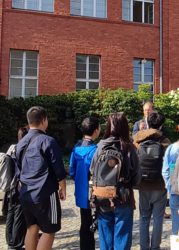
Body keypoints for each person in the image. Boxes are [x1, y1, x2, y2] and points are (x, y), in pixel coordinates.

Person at [15, 106, 67, 250]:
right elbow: (58, 168)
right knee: (50, 230)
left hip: (26, 193)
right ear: (44, 120)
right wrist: (63, 187)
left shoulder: (21, 143)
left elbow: (17, 169)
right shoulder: (48, 141)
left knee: (32, 228)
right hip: (45, 192)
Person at [89, 113, 141, 250]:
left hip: (102, 196)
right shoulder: (129, 148)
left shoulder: (100, 146)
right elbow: (137, 176)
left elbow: (92, 170)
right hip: (123, 196)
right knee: (122, 235)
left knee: (105, 236)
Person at [134, 111, 171, 250]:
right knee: (158, 218)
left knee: (144, 217)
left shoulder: (137, 139)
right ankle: (155, 247)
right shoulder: (165, 142)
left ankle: (144, 247)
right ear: (161, 125)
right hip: (160, 184)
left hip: (142, 184)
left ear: (147, 122)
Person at [70, 117, 100, 250]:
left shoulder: (76, 149)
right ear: (96, 130)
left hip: (82, 192)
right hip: (95, 191)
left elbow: (72, 171)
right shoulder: (96, 150)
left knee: (85, 221)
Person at [3, 126, 28, 250]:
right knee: (19, 214)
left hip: (10, 186)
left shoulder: (12, 148)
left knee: (11, 213)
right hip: (18, 185)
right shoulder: (23, 149)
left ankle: (10, 241)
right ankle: (17, 244)